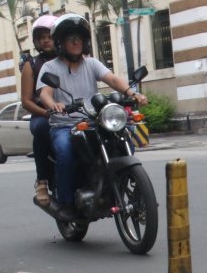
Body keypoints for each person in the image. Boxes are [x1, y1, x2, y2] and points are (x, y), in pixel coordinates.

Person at [37, 14, 147, 218]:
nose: (76, 42)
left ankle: (130, 190)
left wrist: (133, 94)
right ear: (61, 42)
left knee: (124, 140)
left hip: (93, 121)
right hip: (65, 124)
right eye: (71, 38)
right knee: (65, 151)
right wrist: (54, 104)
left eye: (79, 37)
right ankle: (66, 203)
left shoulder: (91, 64)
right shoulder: (50, 67)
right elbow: (45, 92)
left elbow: (113, 79)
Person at [20, 14, 58, 207]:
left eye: (50, 35)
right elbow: (26, 101)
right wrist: (46, 113)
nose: (46, 40)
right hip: (43, 114)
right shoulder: (32, 65)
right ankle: (42, 181)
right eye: (41, 37)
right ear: (36, 41)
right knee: (42, 129)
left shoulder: (70, 59)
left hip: (70, 112)